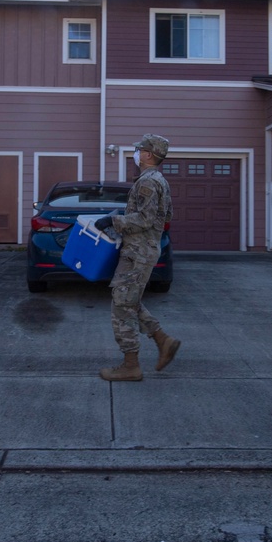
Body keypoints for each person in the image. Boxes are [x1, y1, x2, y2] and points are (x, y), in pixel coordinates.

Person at [93, 134, 181, 382]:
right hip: (143, 249)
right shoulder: (159, 180)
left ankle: (131, 365)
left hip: (138, 252)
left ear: (148, 154)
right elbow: (166, 216)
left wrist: (113, 220)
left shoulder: (148, 182)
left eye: (139, 149)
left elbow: (144, 219)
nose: (136, 152)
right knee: (128, 301)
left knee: (121, 306)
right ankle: (163, 340)